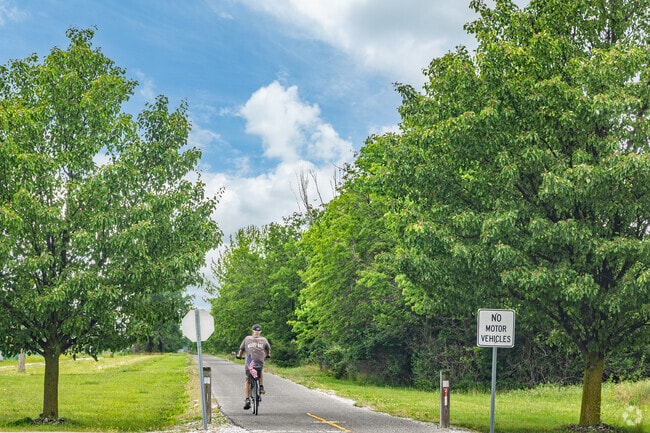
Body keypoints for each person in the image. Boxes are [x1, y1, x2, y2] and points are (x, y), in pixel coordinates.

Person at [236, 324, 271, 410]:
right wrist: (267, 355)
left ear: (252, 331)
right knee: (260, 370)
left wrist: (239, 356)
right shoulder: (264, 340)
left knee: (247, 380)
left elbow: (241, 350)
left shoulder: (247, 338)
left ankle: (247, 399)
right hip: (260, 361)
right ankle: (261, 386)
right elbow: (268, 350)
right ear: (260, 332)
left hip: (250, 362)